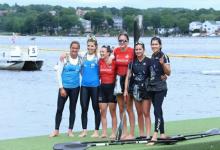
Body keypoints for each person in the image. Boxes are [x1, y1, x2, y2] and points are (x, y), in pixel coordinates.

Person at [49, 41, 82, 137]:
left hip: (75, 88)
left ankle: (70, 130)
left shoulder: (80, 59)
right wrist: (61, 88)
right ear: (70, 48)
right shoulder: (64, 58)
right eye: (73, 48)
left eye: (76, 48)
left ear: (78, 49)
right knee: (59, 109)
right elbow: (58, 73)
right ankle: (56, 130)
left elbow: (90, 53)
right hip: (64, 88)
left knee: (72, 109)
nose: (74, 50)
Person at [124, 41, 151, 138]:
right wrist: (125, 90)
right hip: (136, 90)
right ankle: (141, 134)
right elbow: (128, 76)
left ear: (143, 50)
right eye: (136, 49)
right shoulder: (132, 63)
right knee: (139, 113)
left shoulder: (149, 61)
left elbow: (155, 74)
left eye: (140, 49)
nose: (138, 51)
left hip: (147, 90)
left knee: (146, 113)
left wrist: (163, 76)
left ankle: (148, 135)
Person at [147, 37, 171, 143]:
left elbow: (168, 72)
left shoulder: (164, 56)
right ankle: (163, 133)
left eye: (156, 44)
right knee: (159, 111)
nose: (154, 46)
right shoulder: (152, 56)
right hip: (152, 87)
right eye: (152, 44)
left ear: (160, 45)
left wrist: (162, 64)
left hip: (160, 88)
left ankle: (155, 135)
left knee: (156, 111)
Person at [114, 32, 135, 139]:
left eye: (124, 41)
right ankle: (124, 132)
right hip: (118, 81)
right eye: (120, 41)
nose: (122, 42)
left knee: (129, 108)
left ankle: (131, 133)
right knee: (121, 108)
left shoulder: (132, 51)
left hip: (129, 79)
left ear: (128, 41)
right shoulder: (116, 51)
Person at [79, 36, 101, 138]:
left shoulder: (98, 57)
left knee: (96, 108)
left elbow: (111, 57)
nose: (90, 47)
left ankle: (96, 131)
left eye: (92, 46)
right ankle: (84, 131)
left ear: (95, 47)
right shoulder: (83, 55)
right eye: (88, 46)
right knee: (84, 108)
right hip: (84, 86)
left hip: (95, 86)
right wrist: (63, 55)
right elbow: (72, 55)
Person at [98, 45, 117, 139]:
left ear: (108, 53)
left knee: (112, 111)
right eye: (100, 51)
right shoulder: (100, 61)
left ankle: (114, 132)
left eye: (103, 52)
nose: (101, 53)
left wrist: (113, 55)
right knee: (103, 112)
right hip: (102, 88)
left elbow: (118, 53)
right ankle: (104, 132)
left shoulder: (114, 61)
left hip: (112, 89)